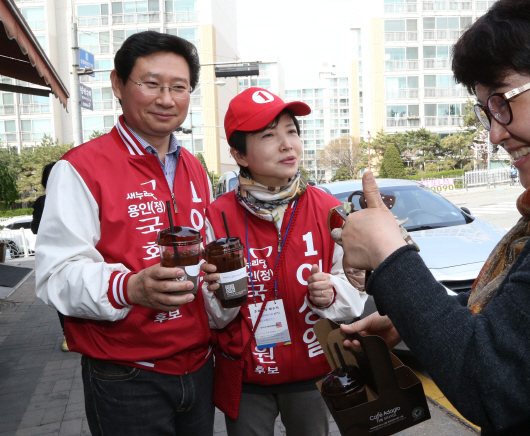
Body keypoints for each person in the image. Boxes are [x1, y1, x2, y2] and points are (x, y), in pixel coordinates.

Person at [338, 0, 530, 434]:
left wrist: (389, 253)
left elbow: (493, 379)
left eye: (503, 101)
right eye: (486, 110)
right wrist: (416, 320)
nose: (495, 134)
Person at [35, 31, 222, 436]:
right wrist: (129, 288)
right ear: (118, 86)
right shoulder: (81, 168)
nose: (166, 99)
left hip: (197, 365)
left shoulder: (194, 167)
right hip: (126, 375)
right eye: (151, 84)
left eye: (179, 87)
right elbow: (56, 274)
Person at [201, 87, 367, 436]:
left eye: (291, 131)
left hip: (313, 374)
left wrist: (332, 294)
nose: (286, 143)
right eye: (268, 135)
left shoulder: (328, 209)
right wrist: (223, 296)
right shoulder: (216, 217)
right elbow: (211, 316)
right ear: (239, 154)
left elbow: (354, 290)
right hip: (247, 375)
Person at [31, 162, 69, 351]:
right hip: (56, 255)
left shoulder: (75, 198)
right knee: (61, 293)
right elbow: (35, 228)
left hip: (79, 252)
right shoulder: (42, 202)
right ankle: (67, 335)